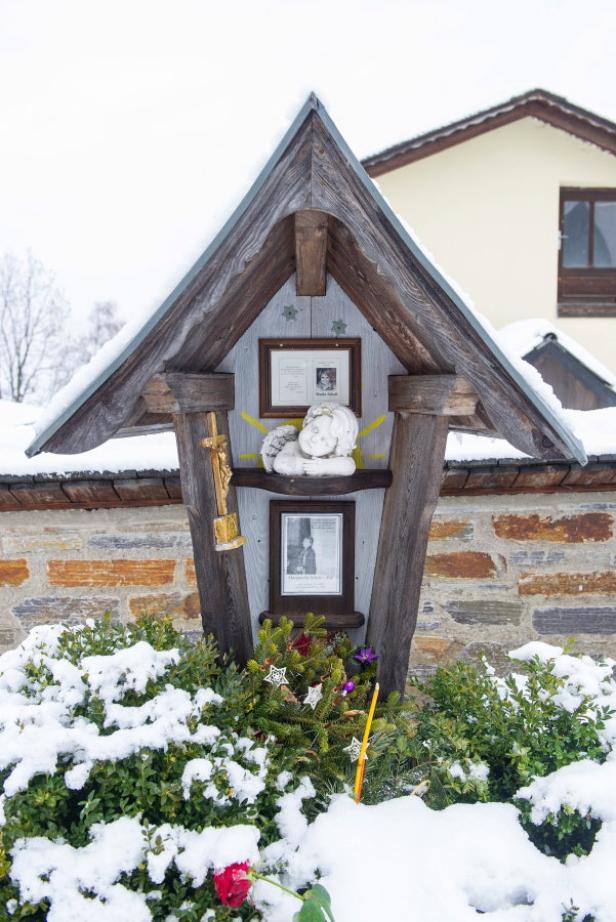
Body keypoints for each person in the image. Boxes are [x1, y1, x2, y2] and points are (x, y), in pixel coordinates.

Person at [261, 402, 358, 477]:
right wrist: (310, 467)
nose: (314, 439)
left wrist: (324, 467)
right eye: (315, 430)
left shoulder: (329, 458)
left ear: (334, 450)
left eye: (324, 441)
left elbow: (350, 466)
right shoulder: (292, 446)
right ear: (308, 423)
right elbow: (279, 464)